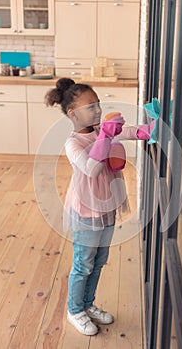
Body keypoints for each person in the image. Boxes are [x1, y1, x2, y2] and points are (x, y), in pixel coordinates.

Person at [45, 78, 154, 336]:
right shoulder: (73, 143)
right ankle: (75, 311)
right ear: (72, 114)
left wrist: (148, 129)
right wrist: (105, 134)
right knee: (84, 263)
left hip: (106, 208)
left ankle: (87, 304)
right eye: (90, 106)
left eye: (98, 104)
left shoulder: (98, 130)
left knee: (99, 260)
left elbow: (127, 132)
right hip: (85, 211)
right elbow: (92, 169)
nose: (98, 110)